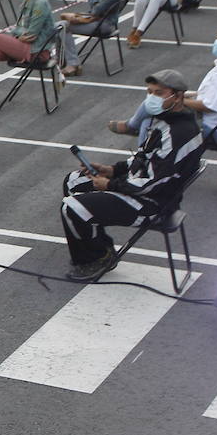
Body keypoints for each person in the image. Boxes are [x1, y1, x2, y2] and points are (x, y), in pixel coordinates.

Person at [60, 69, 203, 280]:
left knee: (71, 207)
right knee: (74, 181)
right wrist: (113, 170)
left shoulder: (179, 133)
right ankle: (100, 247)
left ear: (179, 96)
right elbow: (144, 158)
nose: (152, 97)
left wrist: (110, 185)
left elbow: (154, 183)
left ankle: (95, 258)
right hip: (140, 188)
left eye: (159, 93)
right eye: (150, 92)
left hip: (154, 203)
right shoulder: (164, 120)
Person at [108, 23, 217, 144]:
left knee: (153, 113)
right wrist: (184, 96)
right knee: (156, 105)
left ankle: (133, 132)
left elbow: (210, 106)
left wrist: (180, 99)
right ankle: (137, 140)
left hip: (214, 129)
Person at [56, 0, 130, 76]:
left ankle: (72, 64)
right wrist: (94, 2)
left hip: (105, 25)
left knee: (62, 26)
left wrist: (93, 3)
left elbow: (96, 9)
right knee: (60, 25)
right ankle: (62, 59)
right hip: (98, 20)